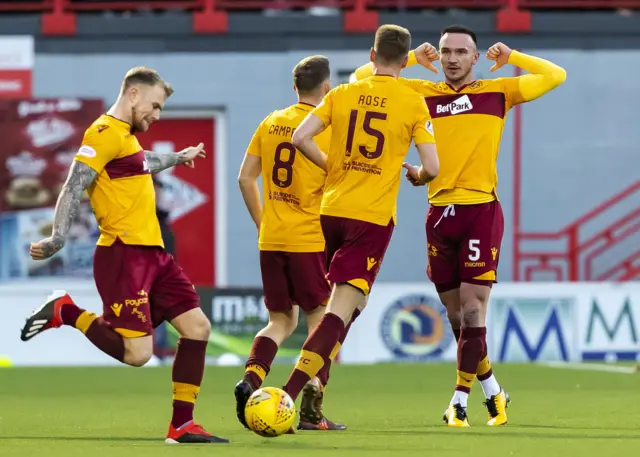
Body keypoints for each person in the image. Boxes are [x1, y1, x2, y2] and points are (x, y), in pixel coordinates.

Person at [353, 24, 567, 427]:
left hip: (480, 209)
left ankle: (459, 401)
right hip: (438, 213)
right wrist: (415, 58)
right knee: (458, 319)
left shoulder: (497, 91)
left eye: (461, 52)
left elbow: (556, 76)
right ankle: (493, 390)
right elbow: (360, 78)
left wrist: (514, 59)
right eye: (446, 51)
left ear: (475, 56)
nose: (451, 59)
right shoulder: (419, 93)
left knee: (472, 310)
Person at [19, 67, 228, 444]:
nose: (157, 115)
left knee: (198, 328)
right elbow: (74, 183)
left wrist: (178, 157)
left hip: (155, 255)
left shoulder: (125, 139)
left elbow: (143, 161)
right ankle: (65, 311)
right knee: (138, 355)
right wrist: (58, 236)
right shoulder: (102, 133)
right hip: (123, 255)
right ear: (133, 94)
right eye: (155, 106)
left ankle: (181, 426)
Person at [273, 24, 439, 405]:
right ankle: (289, 394)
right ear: (405, 60)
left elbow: (299, 137)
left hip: (330, 211)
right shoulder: (413, 101)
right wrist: (417, 176)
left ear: (371, 55)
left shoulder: (344, 92)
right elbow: (432, 166)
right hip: (370, 217)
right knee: (341, 307)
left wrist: (330, 166)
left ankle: (317, 386)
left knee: (353, 305)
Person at [235, 55, 352, 431]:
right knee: (325, 322)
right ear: (326, 88)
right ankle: (311, 407)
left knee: (281, 321)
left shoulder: (271, 121)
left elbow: (244, 179)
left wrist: (263, 222)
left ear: (295, 87)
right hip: (308, 239)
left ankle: (251, 380)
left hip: (272, 238)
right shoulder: (325, 127)